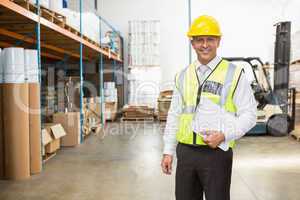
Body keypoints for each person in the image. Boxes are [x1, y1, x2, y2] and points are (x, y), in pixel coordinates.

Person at [161, 15, 257, 200]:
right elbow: (174, 115)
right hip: (186, 153)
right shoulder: (182, 75)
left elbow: (250, 114)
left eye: (210, 39)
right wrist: (168, 151)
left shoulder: (233, 73)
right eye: (199, 40)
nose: (205, 45)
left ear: (218, 41)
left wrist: (224, 135)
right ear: (193, 43)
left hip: (217, 154)